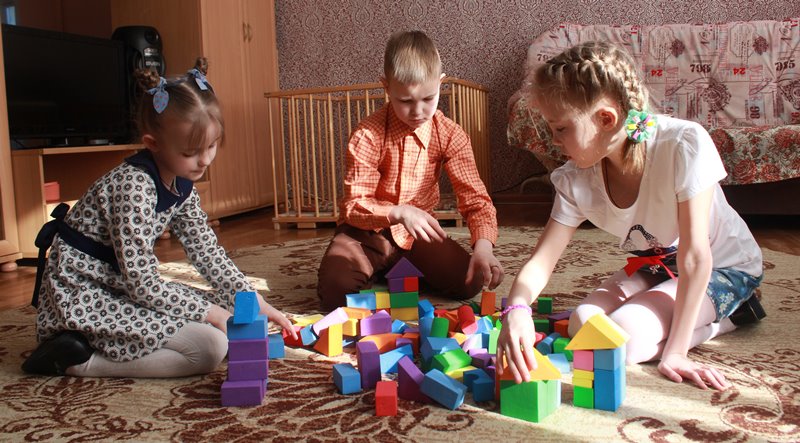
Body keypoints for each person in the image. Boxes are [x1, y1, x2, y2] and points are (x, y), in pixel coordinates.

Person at [497, 41, 764, 391]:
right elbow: (541, 262)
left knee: (625, 338)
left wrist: (676, 352)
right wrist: (517, 310)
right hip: (658, 263)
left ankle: (733, 315)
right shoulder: (576, 179)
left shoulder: (683, 145)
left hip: (721, 267)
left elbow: (696, 257)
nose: (554, 141)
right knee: (582, 322)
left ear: (606, 119)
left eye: (560, 128)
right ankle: (671, 318)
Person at [22, 58, 296, 378]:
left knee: (228, 311)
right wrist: (211, 314)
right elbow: (143, 285)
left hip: (121, 284)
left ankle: (104, 345)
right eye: (190, 152)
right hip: (83, 292)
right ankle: (76, 360)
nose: (204, 160)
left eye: (212, 146)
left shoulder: (182, 182)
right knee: (210, 347)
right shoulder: (134, 188)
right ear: (153, 144)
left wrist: (250, 298)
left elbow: (205, 250)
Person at [316, 31, 503, 311]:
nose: (418, 111)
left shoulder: (450, 134)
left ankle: (398, 269)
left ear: (440, 84)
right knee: (335, 292)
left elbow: (476, 201)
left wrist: (484, 248)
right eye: (405, 101)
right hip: (366, 233)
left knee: (472, 281)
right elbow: (354, 206)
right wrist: (399, 212)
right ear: (386, 87)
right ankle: (381, 266)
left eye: (428, 98)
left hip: (417, 235)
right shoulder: (367, 134)